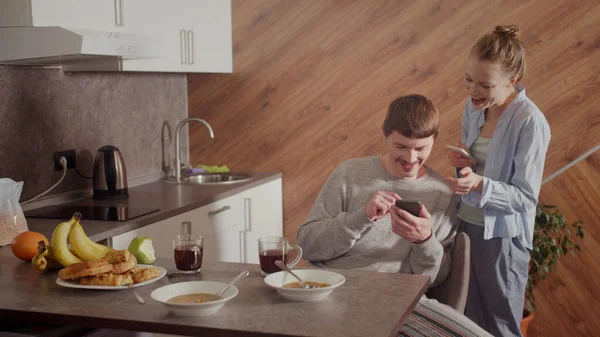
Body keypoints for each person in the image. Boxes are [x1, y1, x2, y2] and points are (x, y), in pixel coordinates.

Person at [297, 94, 492, 337]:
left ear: (435, 140)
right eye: (400, 146)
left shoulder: (442, 194)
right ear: (385, 134)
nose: (411, 159)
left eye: (421, 148)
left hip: (398, 301)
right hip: (332, 291)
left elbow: (435, 278)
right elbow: (307, 244)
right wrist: (361, 217)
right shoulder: (349, 173)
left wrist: (424, 241)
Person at [444, 25, 551, 337]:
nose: (473, 91)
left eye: (484, 84)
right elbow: (479, 169)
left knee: (499, 328)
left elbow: (525, 197)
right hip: (465, 226)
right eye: (468, 80)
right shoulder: (473, 108)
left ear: (512, 81)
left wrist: (478, 183)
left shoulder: (530, 122)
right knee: (462, 321)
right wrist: (466, 164)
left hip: (501, 239)